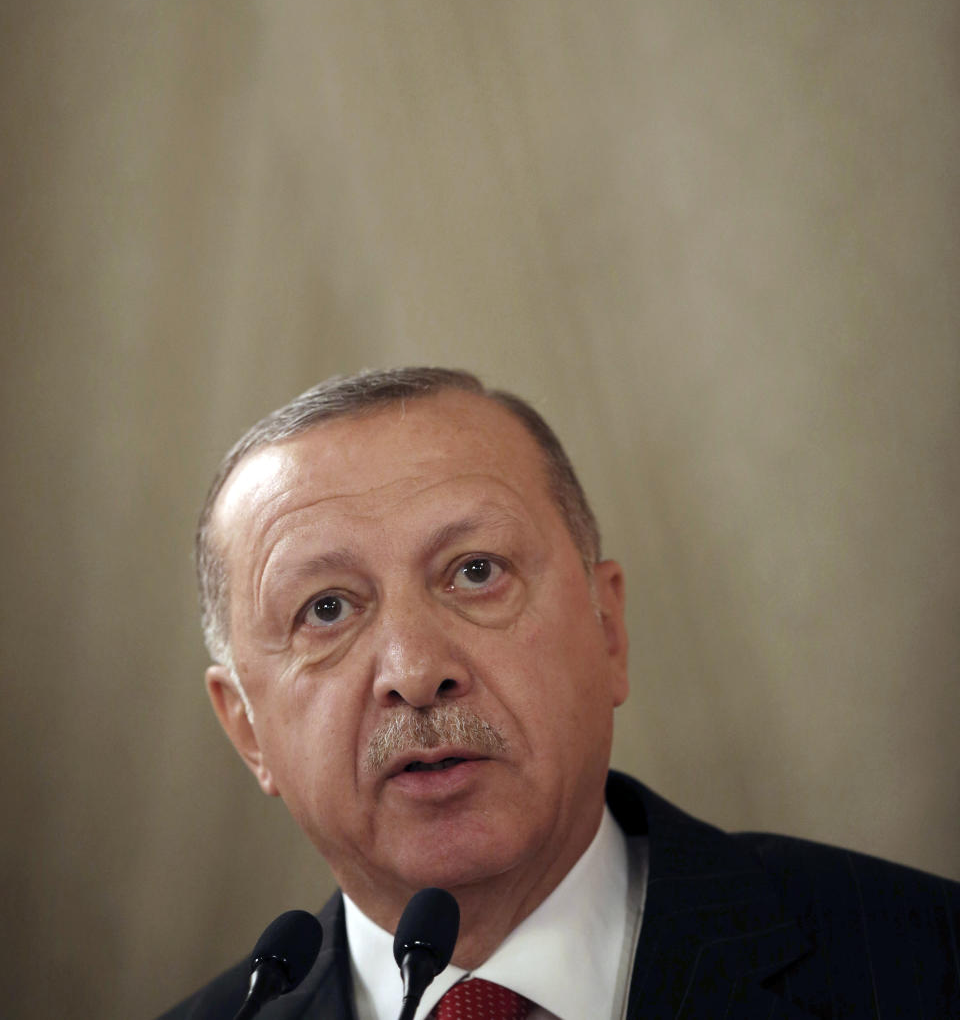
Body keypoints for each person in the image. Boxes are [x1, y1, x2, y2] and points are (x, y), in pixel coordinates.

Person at [160, 367, 959, 1020]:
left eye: (476, 571)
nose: (414, 669)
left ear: (607, 627)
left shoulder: (928, 961)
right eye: (326, 608)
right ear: (248, 730)